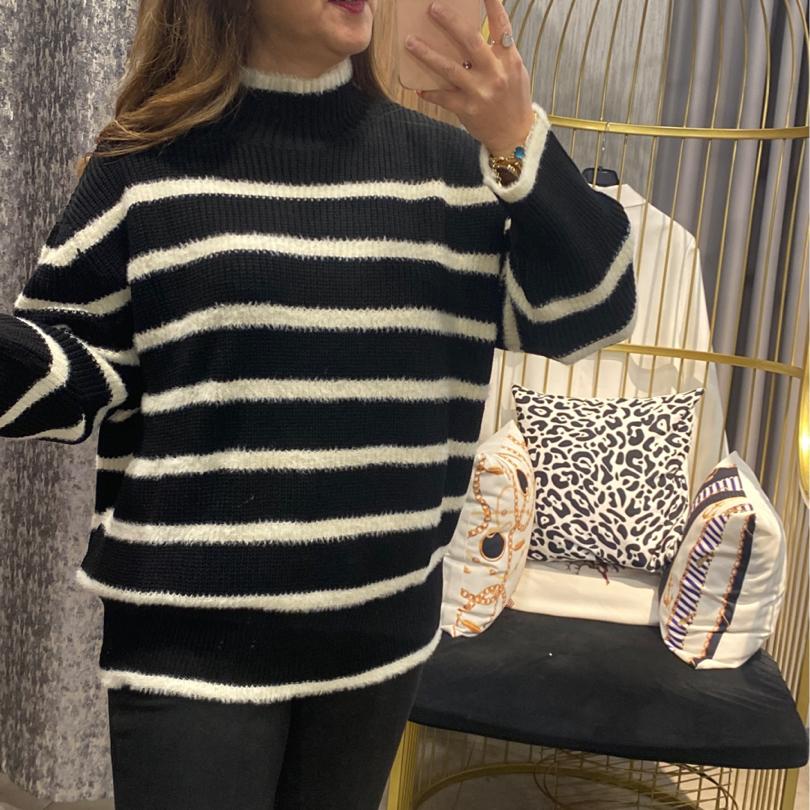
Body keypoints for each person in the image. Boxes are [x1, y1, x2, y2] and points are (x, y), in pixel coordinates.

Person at [0, 0, 637, 807]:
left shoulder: (451, 173)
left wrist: (518, 142)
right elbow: (76, 374)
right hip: (191, 651)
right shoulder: (144, 167)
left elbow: (592, 313)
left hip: (377, 642)